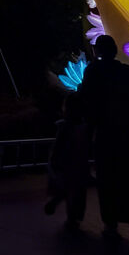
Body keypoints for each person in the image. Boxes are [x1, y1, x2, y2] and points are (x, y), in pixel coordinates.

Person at [79, 34, 129, 241]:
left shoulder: (94, 72)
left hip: (107, 134)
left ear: (98, 51)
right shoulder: (128, 73)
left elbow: (88, 101)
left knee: (109, 177)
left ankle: (111, 224)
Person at [45, 92, 90, 230]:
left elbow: (58, 145)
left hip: (65, 163)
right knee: (77, 191)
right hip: (79, 163)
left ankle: (58, 202)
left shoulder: (64, 126)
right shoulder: (84, 127)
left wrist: (54, 160)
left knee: (65, 187)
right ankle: (73, 217)